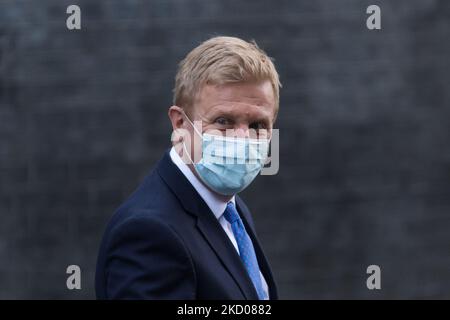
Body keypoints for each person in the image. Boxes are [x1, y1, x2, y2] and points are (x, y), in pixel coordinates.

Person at [95, 36, 281, 299]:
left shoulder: (230, 210)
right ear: (180, 123)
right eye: (224, 120)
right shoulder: (148, 233)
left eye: (258, 125)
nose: (243, 138)